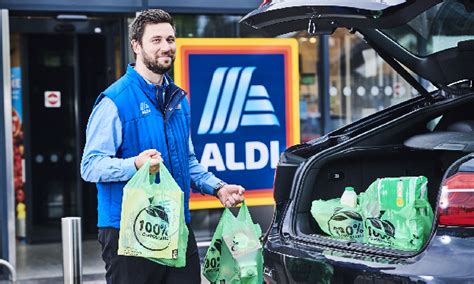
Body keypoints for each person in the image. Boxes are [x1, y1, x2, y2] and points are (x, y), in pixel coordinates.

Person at [80, 9, 245, 284]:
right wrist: (134, 164)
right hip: (128, 231)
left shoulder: (179, 100)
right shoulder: (114, 101)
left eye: (170, 39)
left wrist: (218, 187)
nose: (166, 47)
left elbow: (187, 161)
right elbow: (90, 165)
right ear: (136, 45)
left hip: (176, 227)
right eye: (156, 40)